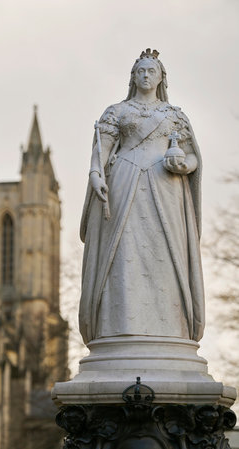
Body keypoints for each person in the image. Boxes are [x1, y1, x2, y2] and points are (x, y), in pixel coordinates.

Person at [79, 49, 204, 345]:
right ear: (133, 77)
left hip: (167, 185)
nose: (146, 76)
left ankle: (169, 327)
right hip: (125, 180)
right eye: (141, 71)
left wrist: (185, 164)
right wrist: (96, 175)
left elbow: (191, 155)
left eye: (151, 72)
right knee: (123, 250)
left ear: (161, 78)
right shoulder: (117, 111)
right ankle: (118, 322)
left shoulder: (174, 115)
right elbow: (101, 151)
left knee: (166, 251)